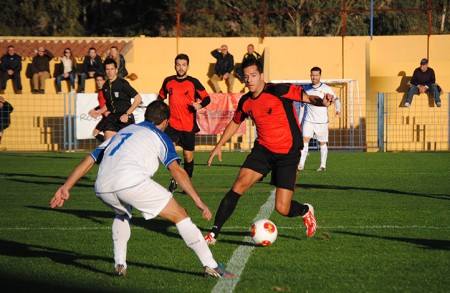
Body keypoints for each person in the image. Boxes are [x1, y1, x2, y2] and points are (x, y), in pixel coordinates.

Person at [50, 100, 233, 278]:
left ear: (146, 116)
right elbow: (177, 170)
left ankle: (119, 264)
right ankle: (211, 265)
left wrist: (66, 187)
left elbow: (89, 160)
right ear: (165, 122)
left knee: (122, 213)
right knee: (180, 215)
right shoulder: (161, 136)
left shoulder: (124, 131)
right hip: (130, 182)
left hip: (102, 187)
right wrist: (197, 200)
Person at [203, 59, 335, 245]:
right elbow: (235, 122)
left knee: (282, 208)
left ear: (262, 76)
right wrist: (219, 145)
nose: (249, 80)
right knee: (239, 185)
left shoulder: (279, 90)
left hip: (288, 153)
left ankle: (305, 211)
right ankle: (213, 234)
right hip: (263, 151)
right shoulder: (246, 101)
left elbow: (309, 98)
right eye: (246, 76)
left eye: (253, 76)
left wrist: (323, 102)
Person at [158, 54, 211, 193]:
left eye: (183, 65)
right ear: (174, 65)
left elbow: (207, 98)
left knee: (188, 156)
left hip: (188, 126)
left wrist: (200, 105)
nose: (181, 67)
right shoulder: (168, 81)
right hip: (172, 124)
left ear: (188, 66)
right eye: (178, 64)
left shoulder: (193, 82)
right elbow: (160, 97)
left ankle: (187, 180)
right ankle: (175, 178)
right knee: (169, 151)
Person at [298, 67, 341, 172]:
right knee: (304, 140)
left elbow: (336, 99)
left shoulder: (326, 88)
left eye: (316, 75)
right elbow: (302, 105)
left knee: (322, 143)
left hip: (322, 121)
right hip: (308, 120)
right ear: (310, 75)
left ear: (320, 76)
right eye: (313, 75)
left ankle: (322, 166)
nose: (314, 77)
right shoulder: (306, 89)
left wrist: (338, 109)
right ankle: (301, 164)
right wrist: (299, 120)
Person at [101, 58, 142, 141]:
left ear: (116, 70)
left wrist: (127, 114)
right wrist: (100, 111)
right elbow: (109, 103)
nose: (109, 72)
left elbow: (138, 99)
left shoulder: (123, 83)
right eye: (107, 69)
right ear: (105, 71)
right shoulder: (105, 86)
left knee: (126, 147)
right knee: (107, 144)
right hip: (112, 118)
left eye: (112, 69)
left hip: (125, 117)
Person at [88, 73, 109, 142]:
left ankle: (108, 147)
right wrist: (95, 109)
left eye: (100, 80)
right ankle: (108, 147)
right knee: (95, 133)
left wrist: (104, 112)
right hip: (105, 116)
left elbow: (110, 103)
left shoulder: (106, 91)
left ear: (104, 81)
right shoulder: (100, 91)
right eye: (97, 80)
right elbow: (102, 104)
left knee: (103, 135)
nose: (98, 82)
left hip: (109, 117)